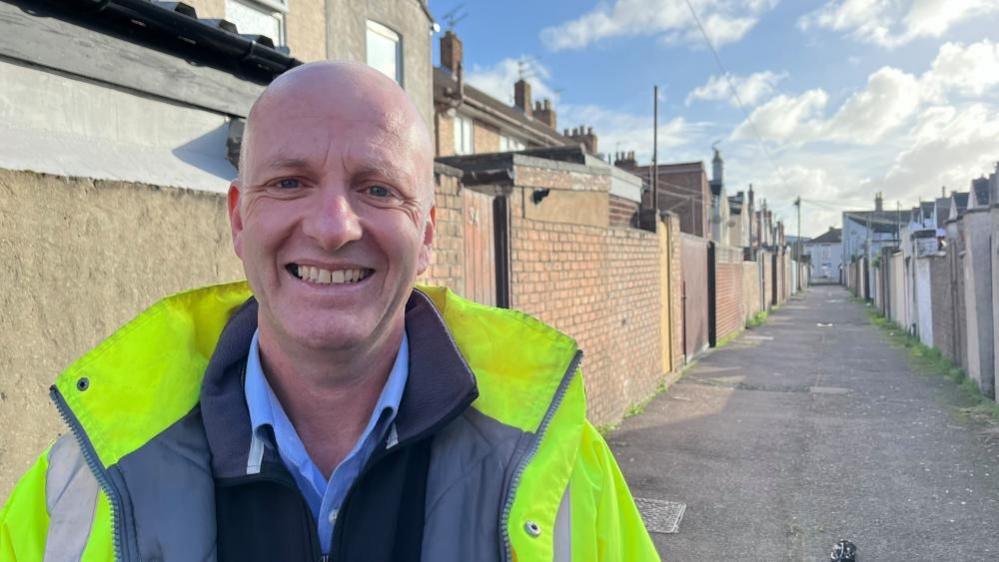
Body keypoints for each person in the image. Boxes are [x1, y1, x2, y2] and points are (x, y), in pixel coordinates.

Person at [0, 61, 659, 561]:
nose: (334, 226)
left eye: (376, 188)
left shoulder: (566, 470)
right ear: (238, 219)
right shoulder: (86, 478)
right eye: (289, 182)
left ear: (428, 233)